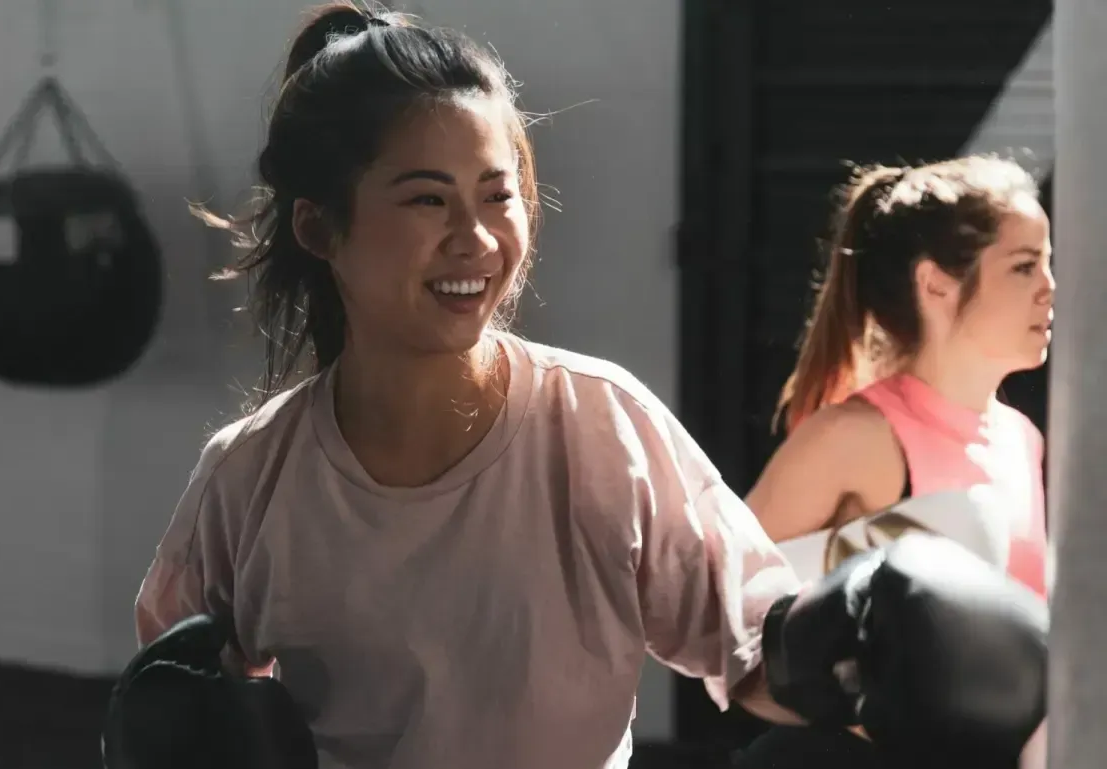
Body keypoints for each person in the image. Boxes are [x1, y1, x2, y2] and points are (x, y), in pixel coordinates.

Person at [132, 4, 805, 768]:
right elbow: (174, 695)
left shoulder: (601, 426)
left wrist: (859, 656)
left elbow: (756, 647)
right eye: (427, 198)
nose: (477, 238)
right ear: (319, 228)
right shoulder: (249, 476)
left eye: (497, 194)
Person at [732, 156, 1054, 768]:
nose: (1050, 287)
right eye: (1023, 266)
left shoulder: (1020, 438)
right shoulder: (854, 438)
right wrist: (846, 706)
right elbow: (717, 622)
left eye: (1048, 262)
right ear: (936, 284)